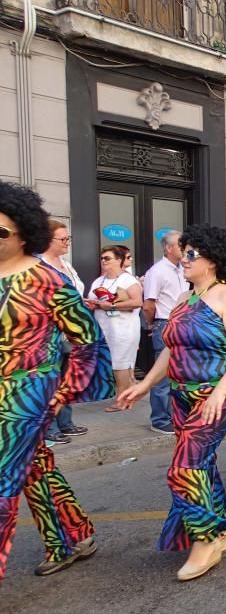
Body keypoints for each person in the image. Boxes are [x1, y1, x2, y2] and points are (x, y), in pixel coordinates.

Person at [117, 225, 226, 581]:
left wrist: (221, 392)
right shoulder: (185, 298)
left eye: (192, 254)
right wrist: (145, 383)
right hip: (182, 396)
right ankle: (220, 532)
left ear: (212, 260)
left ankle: (205, 539)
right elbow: (171, 350)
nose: (185, 259)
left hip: (215, 395)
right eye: (184, 252)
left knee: (184, 469)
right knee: (201, 465)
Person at [0, 181, 113, 580]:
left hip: (29, 390)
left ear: (24, 232)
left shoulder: (48, 280)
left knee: (3, 478)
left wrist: (64, 391)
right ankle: (72, 536)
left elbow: (87, 341)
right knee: (34, 467)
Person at [39, 220, 89, 444]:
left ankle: (66, 423)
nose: (67, 242)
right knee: (50, 379)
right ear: (48, 241)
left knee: (67, 378)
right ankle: (47, 429)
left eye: (68, 238)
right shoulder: (39, 266)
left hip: (70, 331)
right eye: (63, 239)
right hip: (50, 333)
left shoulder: (66, 264)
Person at [87, 245, 143, 406]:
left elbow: (137, 301)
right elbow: (95, 300)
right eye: (102, 258)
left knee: (121, 362)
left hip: (123, 328)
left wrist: (111, 306)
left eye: (108, 258)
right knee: (111, 361)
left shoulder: (128, 280)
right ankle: (125, 394)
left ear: (119, 260)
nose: (104, 261)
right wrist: (93, 304)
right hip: (104, 328)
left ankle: (122, 400)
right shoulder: (99, 280)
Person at [143, 231, 186, 433]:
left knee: (178, 373)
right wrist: (153, 325)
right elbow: (149, 304)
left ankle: (172, 414)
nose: (184, 248)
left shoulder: (182, 270)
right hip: (165, 323)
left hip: (181, 323)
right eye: (180, 245)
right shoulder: (157, 271)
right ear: (169, 248)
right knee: (162, 375)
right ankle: (159, 419)